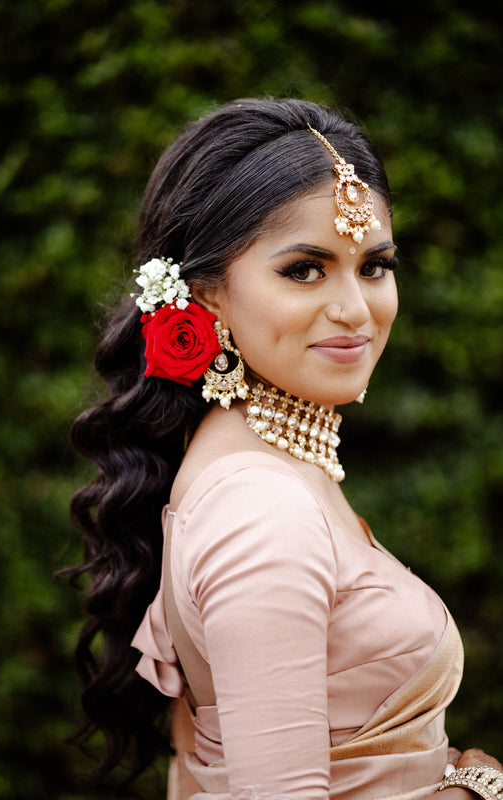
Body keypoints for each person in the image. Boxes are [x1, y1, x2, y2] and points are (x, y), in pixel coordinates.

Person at [68, 98, 502, 800]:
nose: (356, 310)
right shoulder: (259, 511)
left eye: (375, 265)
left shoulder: (261, 464)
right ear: (204, 296)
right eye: (305, 269)